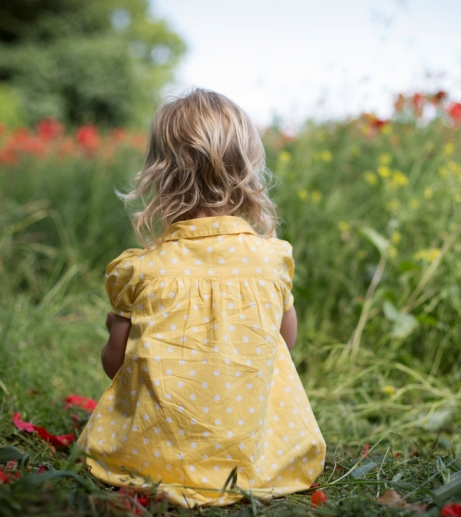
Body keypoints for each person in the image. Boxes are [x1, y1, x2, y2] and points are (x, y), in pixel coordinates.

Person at [77, 88, 326, 507]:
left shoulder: (139, 270)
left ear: (160, 175)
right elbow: (284, 342)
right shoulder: (272, 259)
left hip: (152, 462)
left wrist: (114, 330)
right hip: (254, 462)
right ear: (248, 172)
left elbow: (114, 364)